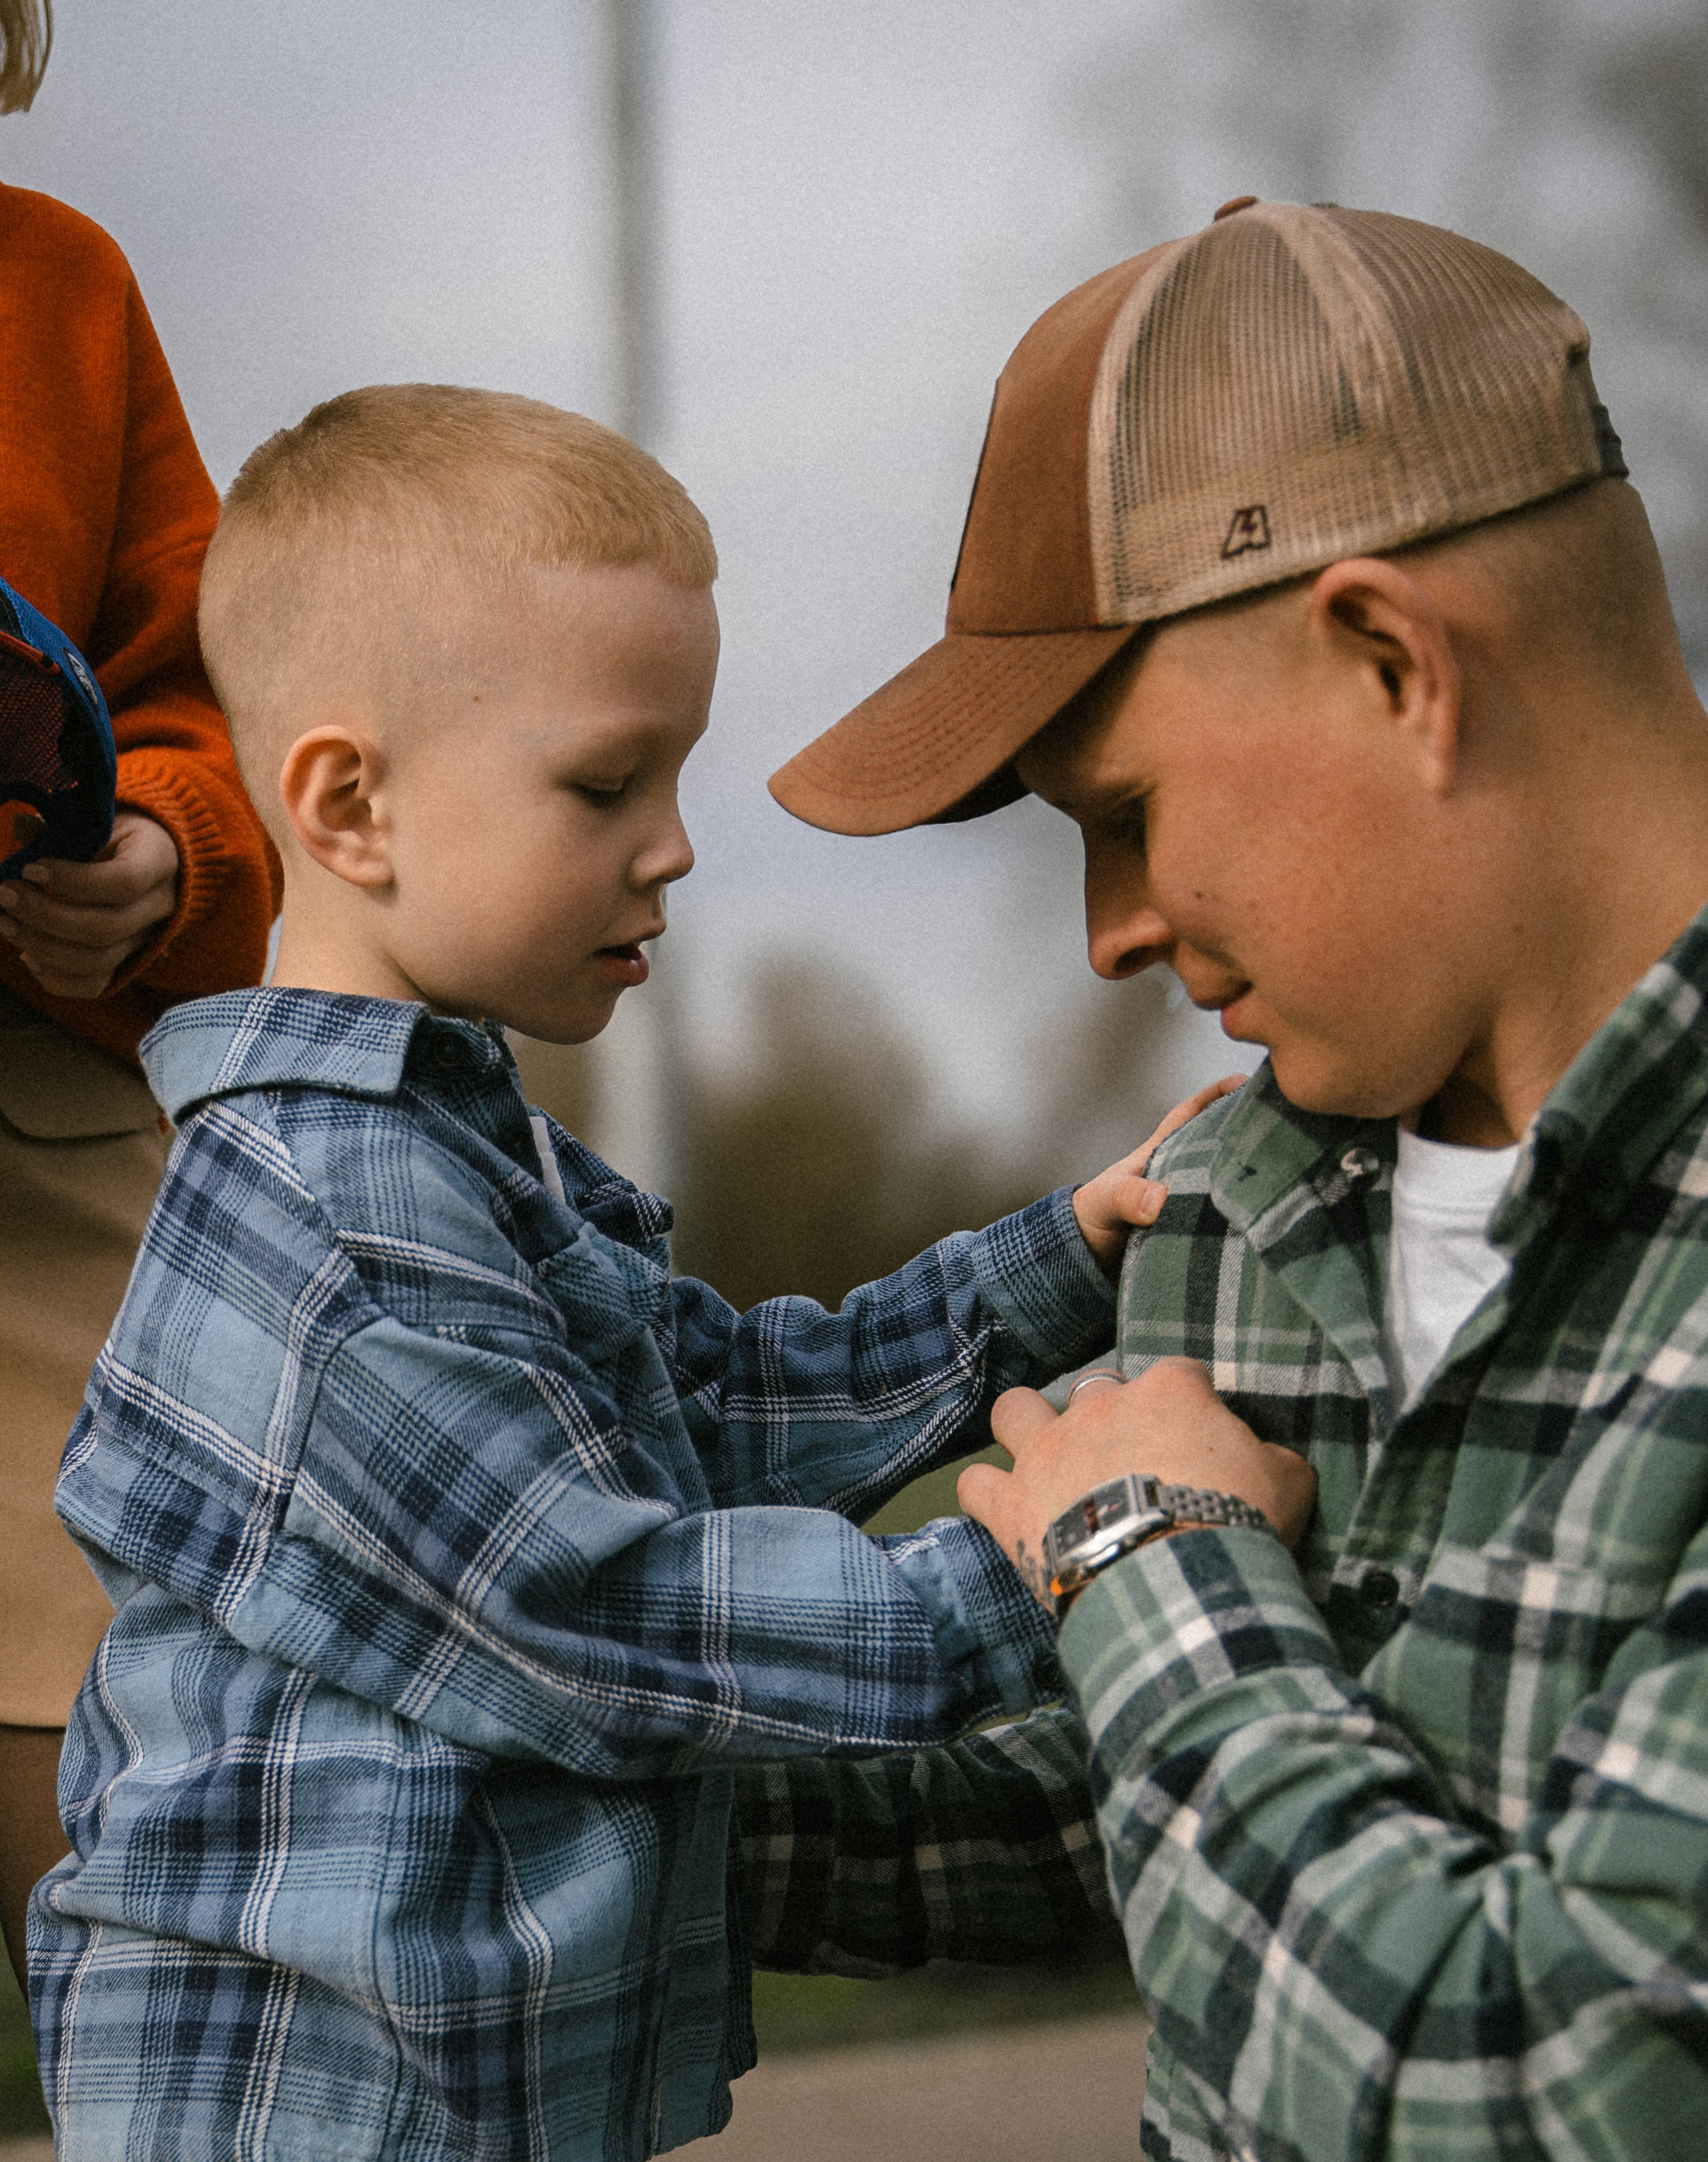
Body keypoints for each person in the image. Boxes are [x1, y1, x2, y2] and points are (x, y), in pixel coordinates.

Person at [29, 382, 1219, 2161]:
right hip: (306, 2102)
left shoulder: (449, 1134)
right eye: (607, 782)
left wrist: (1053, 1262)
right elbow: (603, 1617)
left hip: (462, 2092)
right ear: (349, 805)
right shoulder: (326, 1219)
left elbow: (711, 1398)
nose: (669, 845)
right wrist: (1043, 1560)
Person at [761, 199, 1708, 2158]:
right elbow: (1192, 1816)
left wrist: (1151, 1568)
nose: (1107, 930)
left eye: (1123, 812)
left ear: (1391, 660)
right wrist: (549, 1788)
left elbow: (1569, 2087)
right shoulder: (1245, 1196)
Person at [0, 0, 280, 1991]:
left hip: (48, 1108)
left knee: (146, 1787)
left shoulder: (63, 288)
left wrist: (166, 848)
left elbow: (207, 704)